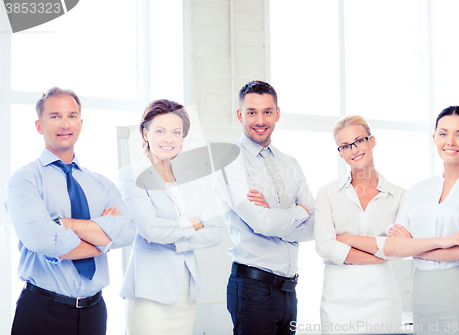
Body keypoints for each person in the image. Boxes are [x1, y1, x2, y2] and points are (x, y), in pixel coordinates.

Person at [6, 87, 135, 335]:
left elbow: (128, 231)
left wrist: (66, 224)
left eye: (72, 116)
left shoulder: (101, 183)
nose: (65, 123)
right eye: (54, 116)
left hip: (95, 311)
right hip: (43, 310)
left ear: (80, 123)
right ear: (39, 125)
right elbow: (43, 240)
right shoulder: (24, 180)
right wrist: (104, 237)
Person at [382, 106, 459, 334]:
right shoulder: (417, 190)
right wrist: (445, 241)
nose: (450, 141)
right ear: (434, 137)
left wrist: (412, 247)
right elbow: (393, 247)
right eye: (443, 133)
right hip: (422, 294)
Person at [213, 80, 315, 335]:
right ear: (240, 115)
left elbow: (314, 226)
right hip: (253, 290)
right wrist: (299, 212)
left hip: (289, 292)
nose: (260, 120)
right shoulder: (229, 160)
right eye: (252, 112)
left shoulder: (290, 163)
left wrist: (276, 218)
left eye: (267, 112)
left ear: (277, 114)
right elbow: (261, 223)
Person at [118, 99, 221, 335]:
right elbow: (150, 230)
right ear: (145, 133)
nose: (169, 139)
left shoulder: (190, 178)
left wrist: (175, 238)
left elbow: (214, 232)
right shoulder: (131, 175)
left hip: (186, 292)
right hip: (149, 292)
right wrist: (192, 225)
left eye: (176, 132)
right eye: (160, 131)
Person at [314, 115, 405, 334]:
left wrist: (347, 240)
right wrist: (380, 254)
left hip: (382, 297)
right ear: (340, 153)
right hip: (338, 297)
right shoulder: (327, 193)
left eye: (359, 141)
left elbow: (400, 250)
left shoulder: (399, 196)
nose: (354, 149)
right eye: (345, 146)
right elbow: (324, 247)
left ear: (372, 141)